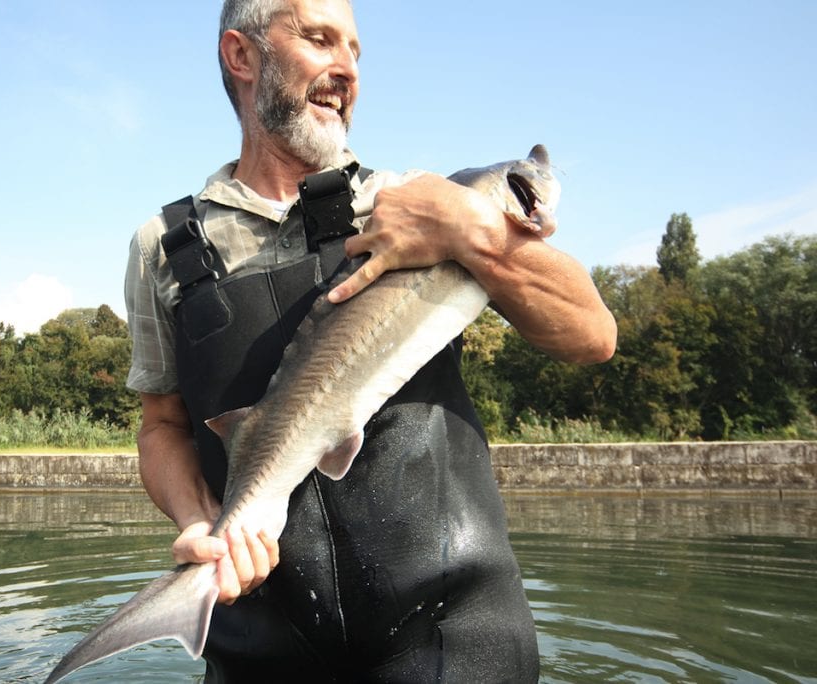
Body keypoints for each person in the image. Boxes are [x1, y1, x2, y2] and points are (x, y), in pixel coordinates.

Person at [124, 0, 617, 680]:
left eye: (355, 51)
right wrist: (201, 523)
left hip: (453, 634)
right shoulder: (163, 248)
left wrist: (472, 231)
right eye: (320, 39)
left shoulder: (413, 200)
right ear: (242, 56)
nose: (346, 69)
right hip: (262, 641)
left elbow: (593, 336)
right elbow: (161, 426)